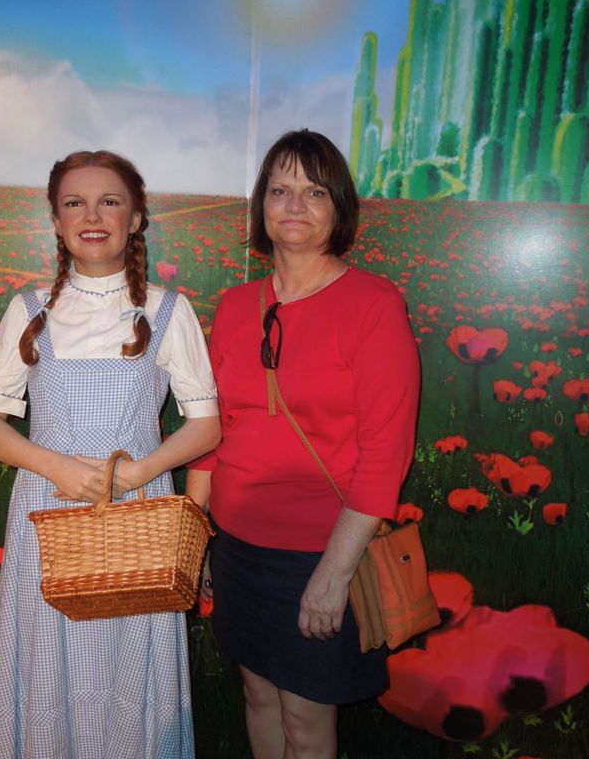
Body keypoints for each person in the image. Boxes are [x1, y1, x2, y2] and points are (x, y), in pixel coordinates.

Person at [0, 150, 220, 759]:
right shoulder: (30, 310)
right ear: (56, 222)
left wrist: (134, 473)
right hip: (47, 515)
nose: (92, 216)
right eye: (74, 203)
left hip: (137, 517)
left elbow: (205, 426)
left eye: (110, 201)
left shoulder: (167, 310)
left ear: (136, 218)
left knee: (131, 666)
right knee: (46, 663)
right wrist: (54, 465)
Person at [187, 129, 420, 759]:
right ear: (260, 205)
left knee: (305, 723)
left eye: (315, 192)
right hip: (237, 546)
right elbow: (211, 432)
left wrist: (332, 576)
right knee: (258, 698)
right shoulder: (236, 306)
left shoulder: (373, 305)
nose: (295, 205)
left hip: (320, 551)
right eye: (280, 190)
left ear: (339, 209)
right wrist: (198, 538)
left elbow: (385, 455)